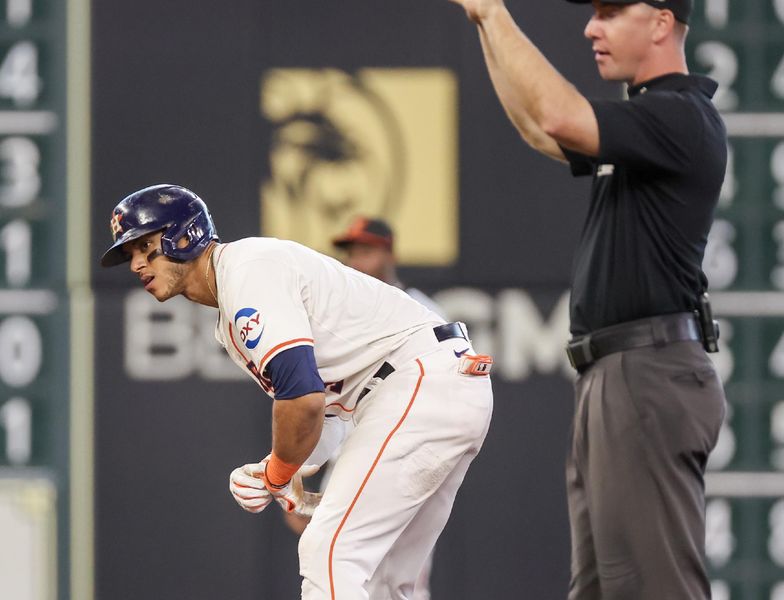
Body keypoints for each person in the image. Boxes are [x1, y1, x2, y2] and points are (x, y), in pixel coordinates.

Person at [447, 0, 727, 598]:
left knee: (658, 590)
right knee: (602, 590)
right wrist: (482, 23)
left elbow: (555, 116)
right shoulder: (648, 123)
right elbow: (534, 126)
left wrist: (497, 15)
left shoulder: (680, 118)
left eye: (609, 12)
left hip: (648, 371)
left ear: (659, 22)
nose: (590, 28)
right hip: (617, 373)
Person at [100, 184, 494, 599]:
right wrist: (280, 472)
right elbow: (325, 410)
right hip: (428, 386)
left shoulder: (245, 270)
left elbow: (302, 399)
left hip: (417, 382)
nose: (137, 264)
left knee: (330, 555)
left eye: (146, 246)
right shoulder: (233, 304)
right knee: (384, 580)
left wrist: (280, 472)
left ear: (187, 234)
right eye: (130, 254)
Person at [332, 216, 446, 317]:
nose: (355, 263)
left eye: (366, 253)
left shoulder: (423, 311)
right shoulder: (337, 310)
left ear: (390, 256)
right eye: (351, 254)